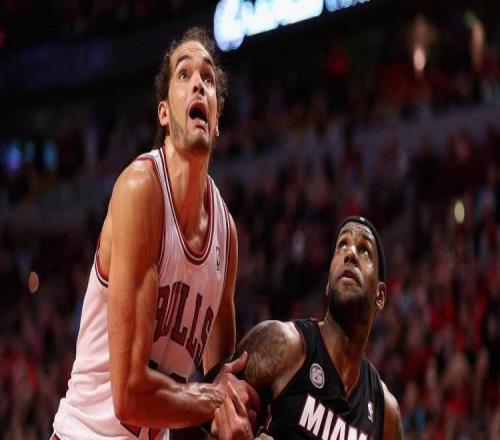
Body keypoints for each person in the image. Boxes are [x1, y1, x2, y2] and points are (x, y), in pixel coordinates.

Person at [52, 27, 258, 440]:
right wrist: (216, 400)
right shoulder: (140, 190)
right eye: (184, 74)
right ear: (164, 113)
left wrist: (248, 404)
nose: (198, 83)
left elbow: (221, 377)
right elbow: (130, 395)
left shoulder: (226, 234)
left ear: (217, 120)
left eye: (208, 78)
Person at [213, 216, 403, 439]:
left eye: (364, 250)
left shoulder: (385, 413)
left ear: (380, 296)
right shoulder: (282, 345)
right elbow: (196, 426)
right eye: (342, 245)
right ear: (327, 284)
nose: (350, 253)